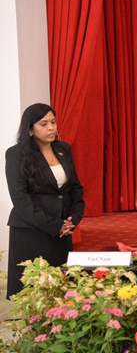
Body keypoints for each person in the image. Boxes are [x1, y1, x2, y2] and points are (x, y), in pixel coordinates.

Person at [5, 104, 85, 298]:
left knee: (60, 291)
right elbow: (20, 198)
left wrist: (73, 219)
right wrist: (54, 225)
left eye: (53, 122)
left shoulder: (63, 148)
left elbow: (75, 188)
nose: (51, 128)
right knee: (34, 294)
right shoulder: (16, 153)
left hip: (62, 230)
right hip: (32, 231)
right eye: (44, 124)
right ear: (30, 129)